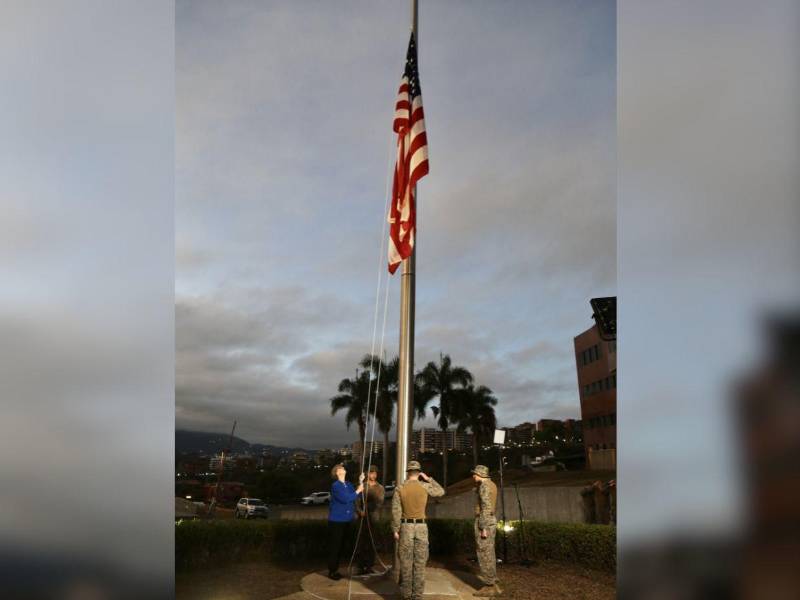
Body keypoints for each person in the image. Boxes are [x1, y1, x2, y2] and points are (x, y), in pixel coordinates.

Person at [391, 461, 444, 600]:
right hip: (421, 527)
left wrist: (395, 529)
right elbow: (441, 491)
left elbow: (396, 511)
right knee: (420, 563)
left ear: (408, 473)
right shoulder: (425, 486)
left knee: (406, 563)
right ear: (419, 473)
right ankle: (417, 596)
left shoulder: (400, 488)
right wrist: (428, 479)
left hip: (406, 527)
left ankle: (406, 595)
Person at [327, 463, 364, 580]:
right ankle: (332, 571)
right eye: (340, 468)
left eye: (343, 467)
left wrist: (361, 481)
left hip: (348, 520)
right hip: (337, 521)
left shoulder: (348, 484)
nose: (343, 468)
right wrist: (358, 490)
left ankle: (358, 566)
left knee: (347, 545)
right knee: (336, 547)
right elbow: (346, 499)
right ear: (336, 472)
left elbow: (355, 495)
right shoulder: (335, 486)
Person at [471, 465, 502, 596]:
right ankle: (493, 582)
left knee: (484, 553)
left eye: (475, 474)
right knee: (489, 552)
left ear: (480, 474)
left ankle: (489, 586)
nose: (473, 476)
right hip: (490, 520)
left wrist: (483, 527)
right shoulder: (491, 484)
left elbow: (485, 506)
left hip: (484, 521)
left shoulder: (484, 486)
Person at [356, 465, 385, 574]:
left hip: (373, 518)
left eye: (375, 473)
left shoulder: (380, 488)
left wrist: (369, 508)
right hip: (362, 518)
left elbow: (379, 502)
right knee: (361, 542)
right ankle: (360, 566)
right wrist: (359, 511)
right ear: (367, 474)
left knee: (372, 542)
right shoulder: (362, 486)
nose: (373, 475)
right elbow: (356, 501)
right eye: (371, 473)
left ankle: (369, 566)